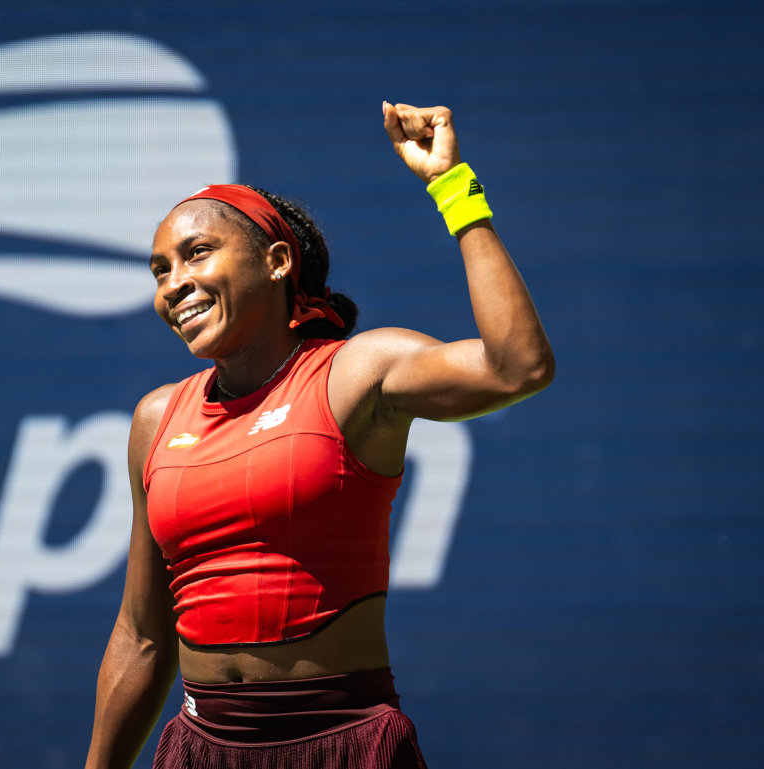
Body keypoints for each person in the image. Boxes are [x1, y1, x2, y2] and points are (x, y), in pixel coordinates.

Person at [84, 101, 554, 769]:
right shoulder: (157, 419)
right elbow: (141, 635)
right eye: (160, 270)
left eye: (195, 253)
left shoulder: (356, 373)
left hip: (342, 743)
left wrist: (453, 186)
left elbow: (519, 366)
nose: (174, 284)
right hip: (198, 748)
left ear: (277, 261)